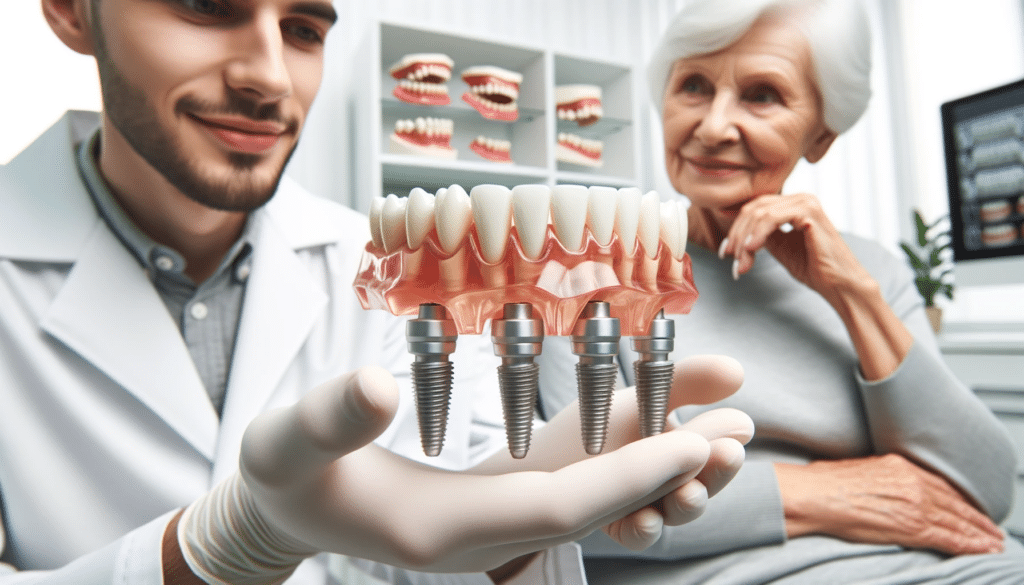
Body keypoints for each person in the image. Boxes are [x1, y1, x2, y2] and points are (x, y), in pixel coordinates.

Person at [0, 0, 757, 584]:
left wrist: (505, 553)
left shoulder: (389, 265)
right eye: (207, 5)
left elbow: (437, 534)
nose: (268, 74)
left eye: (303, 28)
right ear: (71, 9)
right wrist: (201, 552)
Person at [536, 0, 1024, 583]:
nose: (713, 128)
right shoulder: (582, 272)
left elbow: (988, 491)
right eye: (693, 85)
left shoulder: (870, 270)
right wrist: (819, 494)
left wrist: (851, 293)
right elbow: (561, 513)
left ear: (821, 135)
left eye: (761, 94)